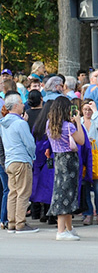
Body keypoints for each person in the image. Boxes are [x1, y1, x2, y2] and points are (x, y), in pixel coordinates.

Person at [46, 96, 86, 240]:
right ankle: (61, 231)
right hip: (69, 160)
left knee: (62, 191)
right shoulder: (68, 126)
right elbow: (81, 140)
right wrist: (79, 123)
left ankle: (69, 228)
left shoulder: (49, 124)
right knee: (67, 193)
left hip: (58, 158)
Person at [0, 93, 37, 233]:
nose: (23, 105)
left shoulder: (4, 123)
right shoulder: (20, 123)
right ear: (15, 106)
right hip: (21, 159)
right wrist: (32, 156)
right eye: (21, 103)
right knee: (23, 192)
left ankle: (12, 222)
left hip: (9, 160)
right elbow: (30, 143)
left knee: (13, 193)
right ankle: (20, 223)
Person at [80, 100, 98, 226]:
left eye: (89, 109)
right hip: (84, 157)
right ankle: (88, 212)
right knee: (84, 187)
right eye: (85, 109)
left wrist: (95, 110)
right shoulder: (79, 121)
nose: (87, 112)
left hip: (97, 156)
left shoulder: (97, 119)